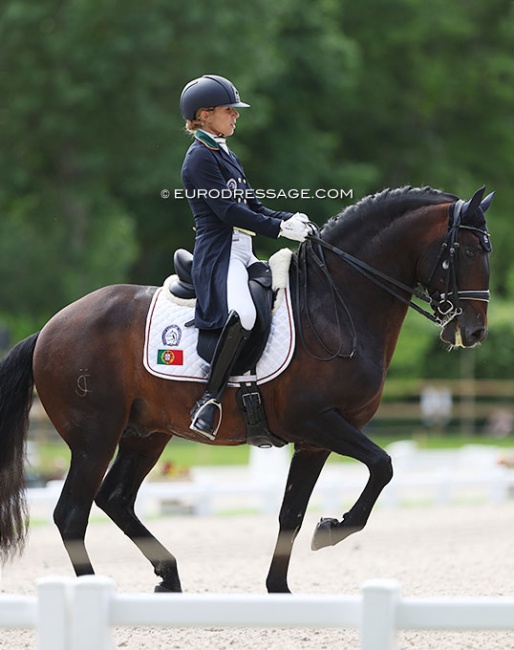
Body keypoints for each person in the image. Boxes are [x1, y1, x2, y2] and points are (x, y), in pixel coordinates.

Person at [180, 74, 313, 439]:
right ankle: (209, 398)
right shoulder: (198, 159)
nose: (236, 116)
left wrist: (287, 218)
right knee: (246, 314)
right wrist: (279, 230)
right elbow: (229, 213)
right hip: (219, 254)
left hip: (243, 250)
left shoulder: (226, 154)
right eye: (229, 110)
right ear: (204, 115)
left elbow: (252, 205)